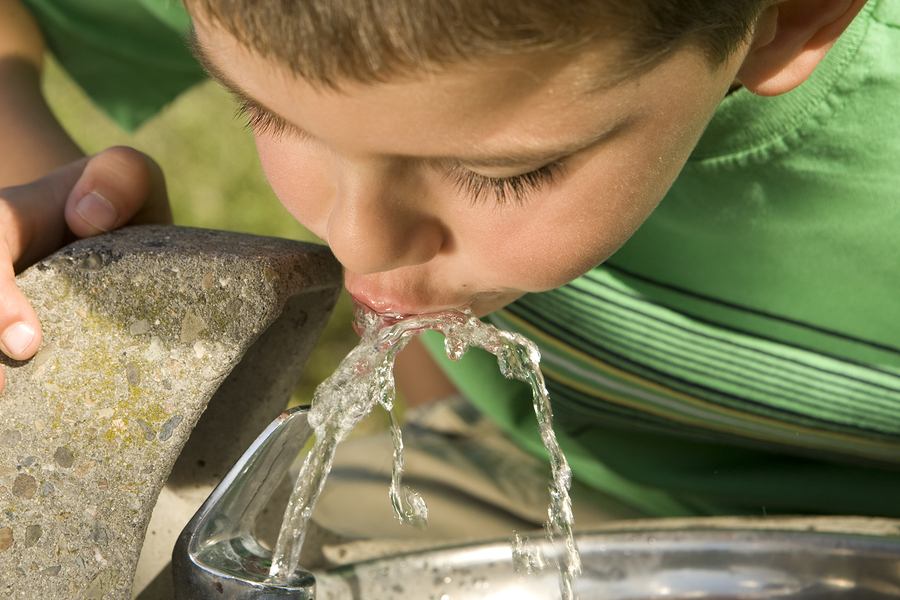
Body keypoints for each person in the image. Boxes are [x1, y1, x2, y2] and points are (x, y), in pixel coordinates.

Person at [3, 0, 899, 528]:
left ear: (793, 18)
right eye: (267, 112)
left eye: (495, 174)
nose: (357, 244)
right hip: (531, 483)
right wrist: (32, 177)